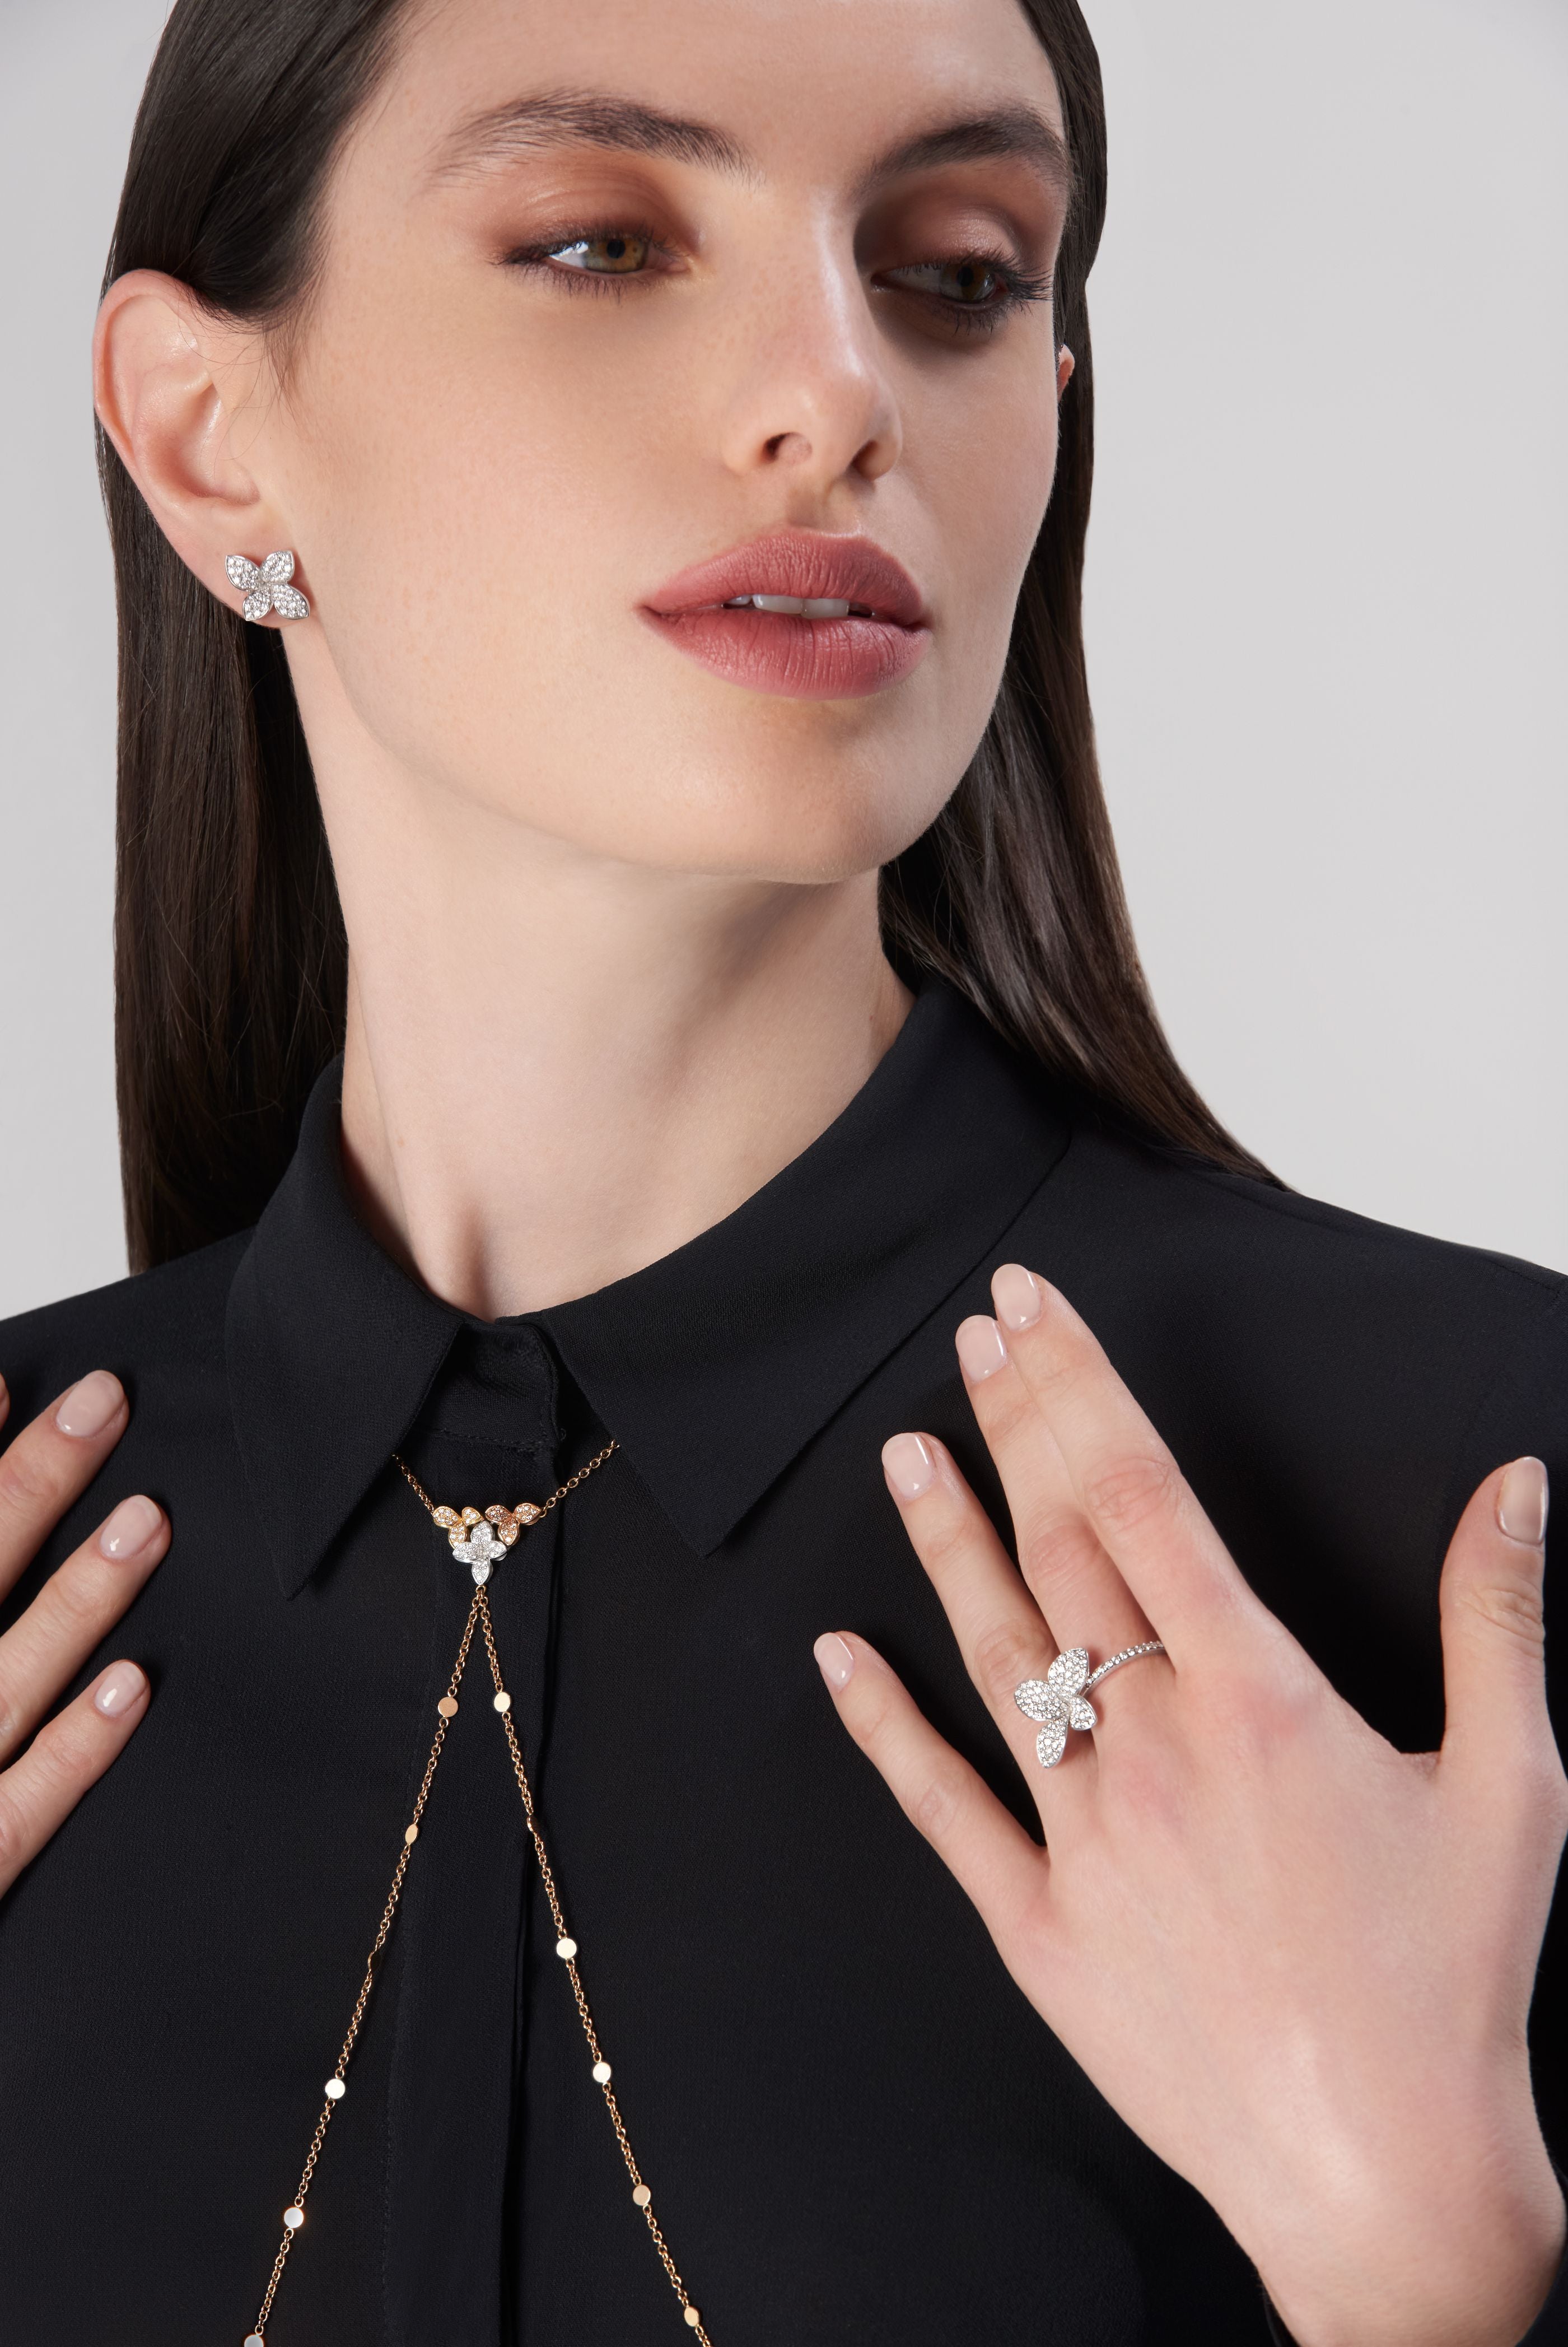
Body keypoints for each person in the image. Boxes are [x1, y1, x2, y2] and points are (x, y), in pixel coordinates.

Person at [0, 0, 1563, 2340]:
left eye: (954, 273)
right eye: (604, 241)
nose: (837, 393)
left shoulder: (1472, 1525)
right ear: (210, 437)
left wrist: (1421, 2269)